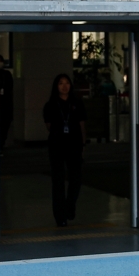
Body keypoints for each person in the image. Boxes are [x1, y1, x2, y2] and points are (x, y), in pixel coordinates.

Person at [43, 74, 86, 226]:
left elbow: (82, 124)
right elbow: (49, 126)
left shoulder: (77, 103)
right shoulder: (50, 105)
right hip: (57, 145)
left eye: (67, 83)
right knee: (58, 181)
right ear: (56, 86)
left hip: (74, 144)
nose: (64, 86)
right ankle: (60, 216)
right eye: (61, 83)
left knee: (76, 178)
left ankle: (70, 205)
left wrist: (83, 143)